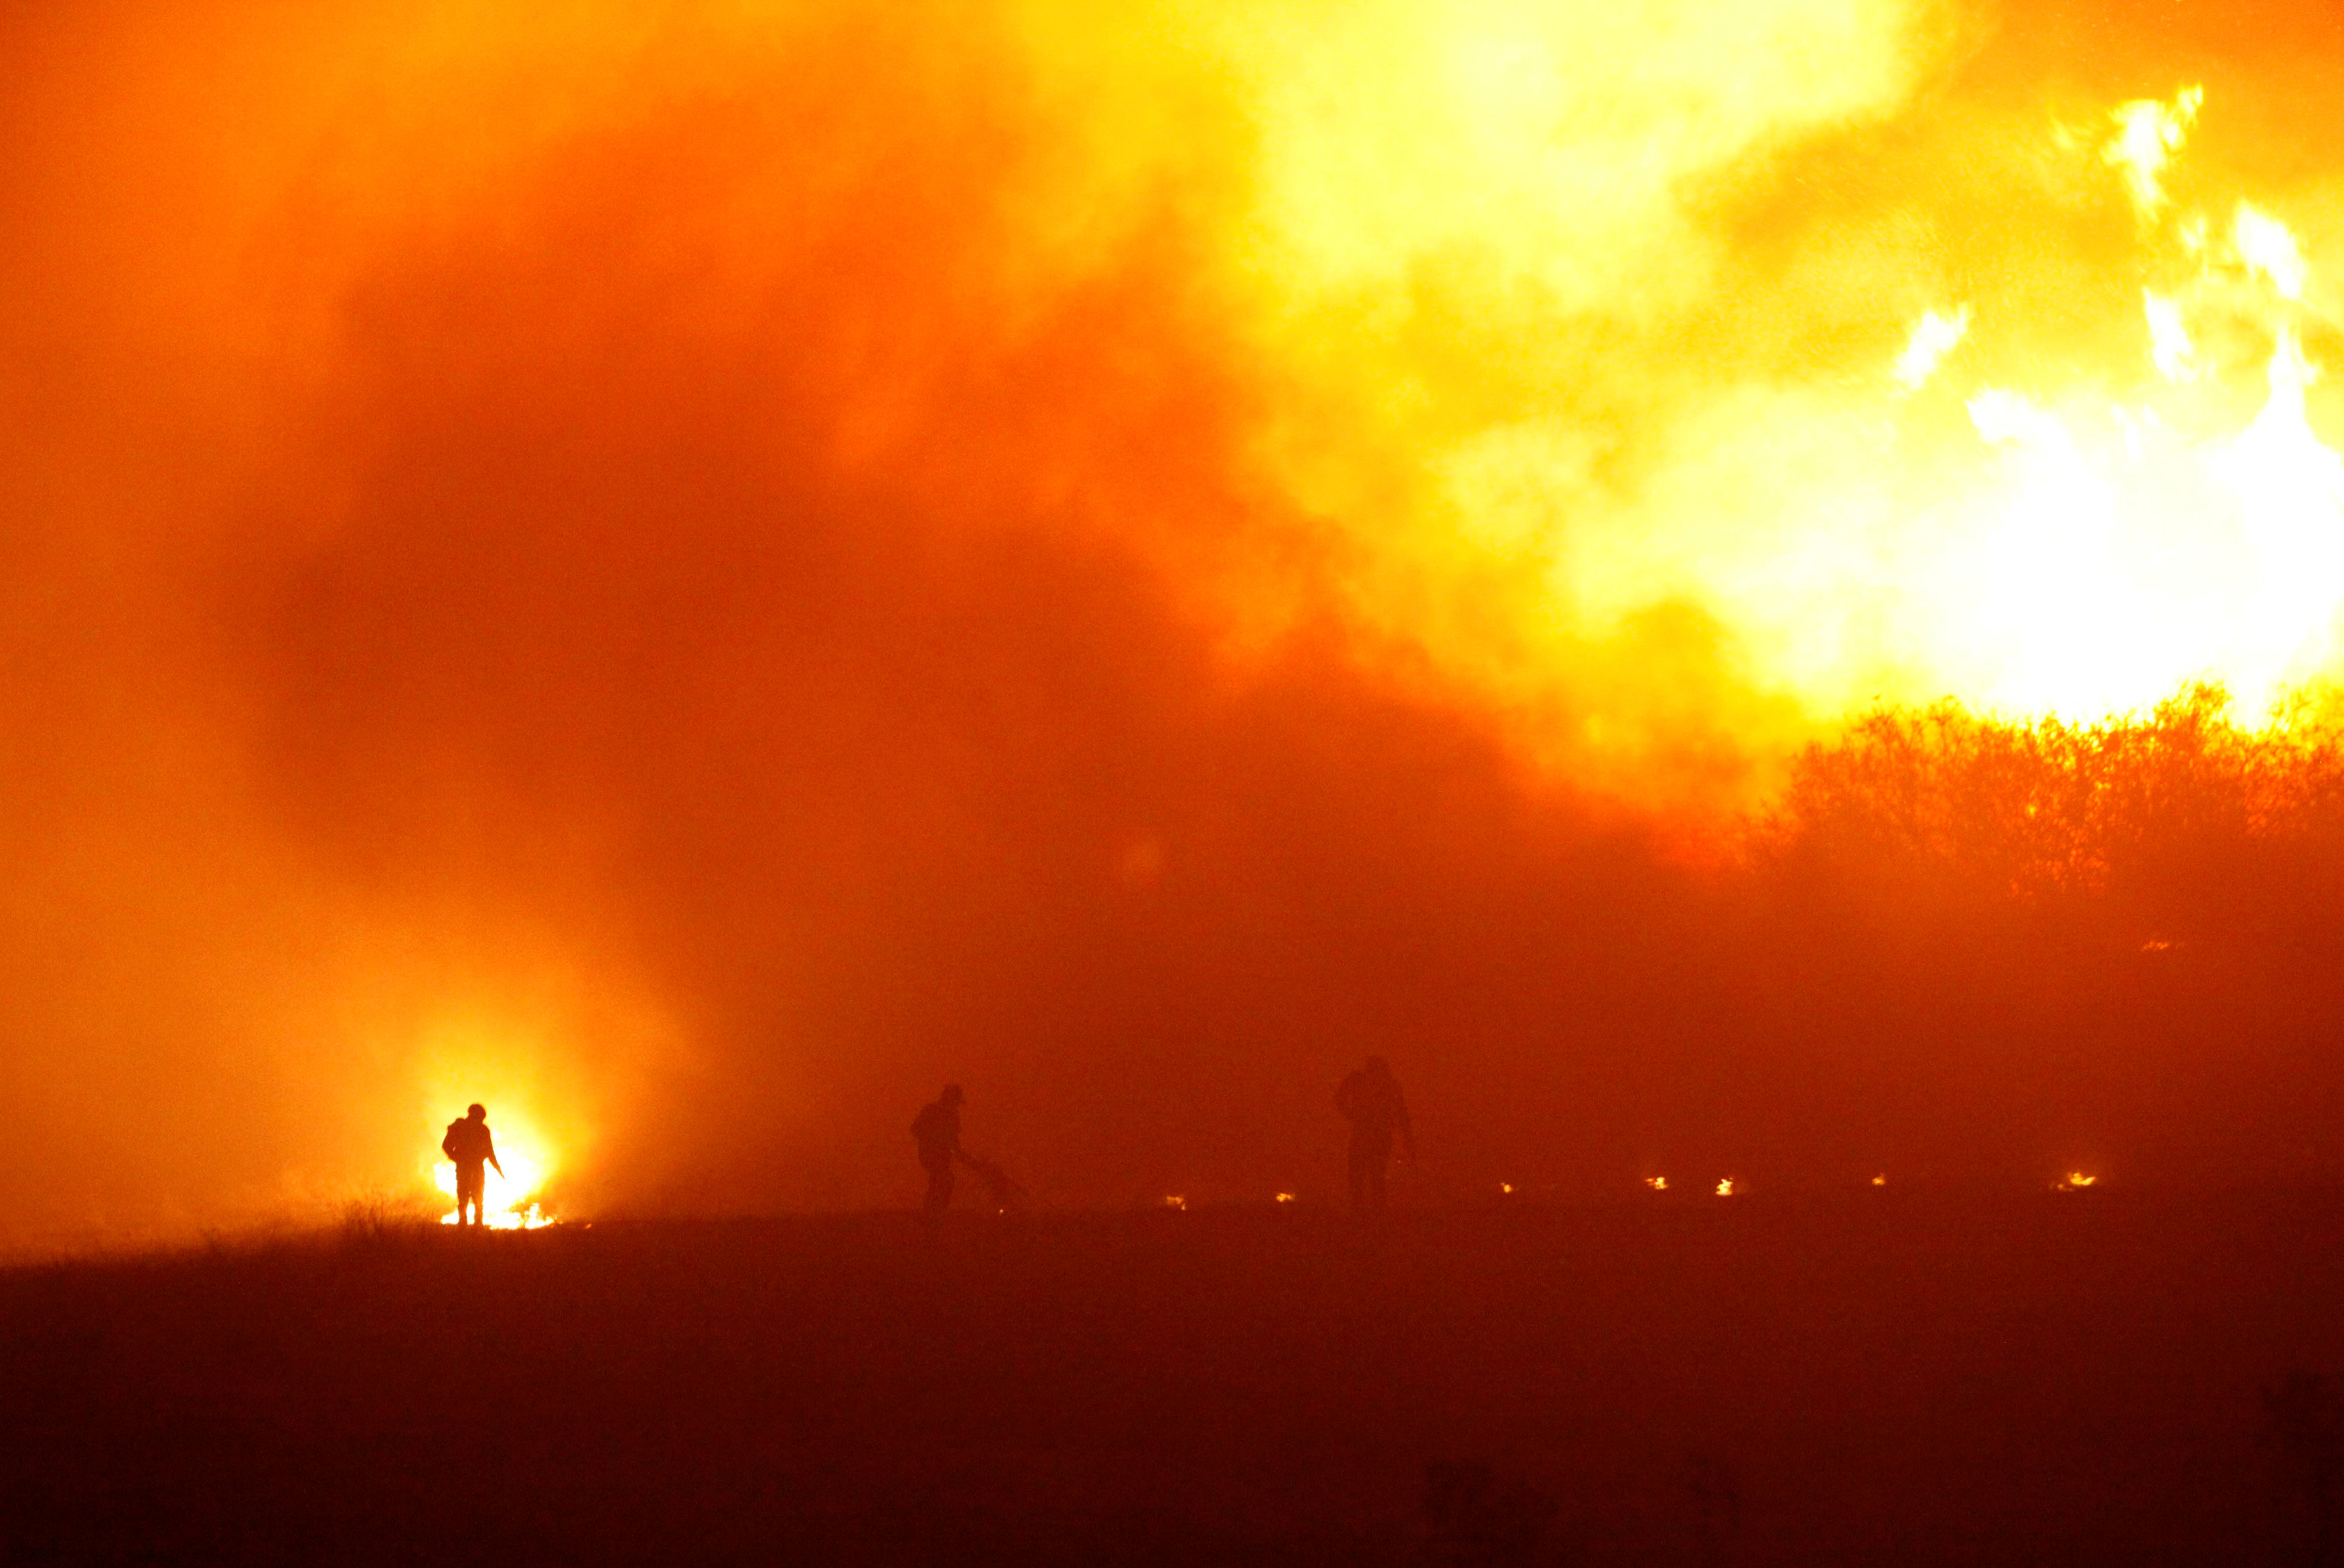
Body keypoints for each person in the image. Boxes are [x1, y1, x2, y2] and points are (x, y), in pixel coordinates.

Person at [1335, 1056, 1414, 1212]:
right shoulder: (1382, 1083)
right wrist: (1408, 1141)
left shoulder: (1377, 1083)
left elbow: (1401, 1113)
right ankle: (1371, 1215)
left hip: (1372, 1133)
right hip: (1373, 1133)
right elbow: (1401, 1114)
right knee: (1369, 1176)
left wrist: (1350, 1113)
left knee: (1367, 1176)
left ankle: (1366, 1215)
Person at [441, 1103, 504, 1229]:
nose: (481, 1120)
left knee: (476, 1194)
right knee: (466, 1194)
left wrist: (497, 1168)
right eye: (480, 1117)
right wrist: (457, 1158)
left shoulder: (482, 1129)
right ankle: (465, 1222)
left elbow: (489, 1151)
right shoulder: (460, 1127)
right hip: (466, 1166)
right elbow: (446, 1146)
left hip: (474, 1166)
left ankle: (477, 1222)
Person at [911, 1083, 966, 1217]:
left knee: (938, 1181)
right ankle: (936, 1213)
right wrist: (933, 1139)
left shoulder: (950, 1115)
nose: (957, 1105)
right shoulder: (932, 1111)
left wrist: (962, 1154)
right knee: (945, 1180)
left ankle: (932, 1213)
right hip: (930, 1154)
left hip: (939, 1155)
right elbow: (915, 1129)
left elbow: (954, 1141)